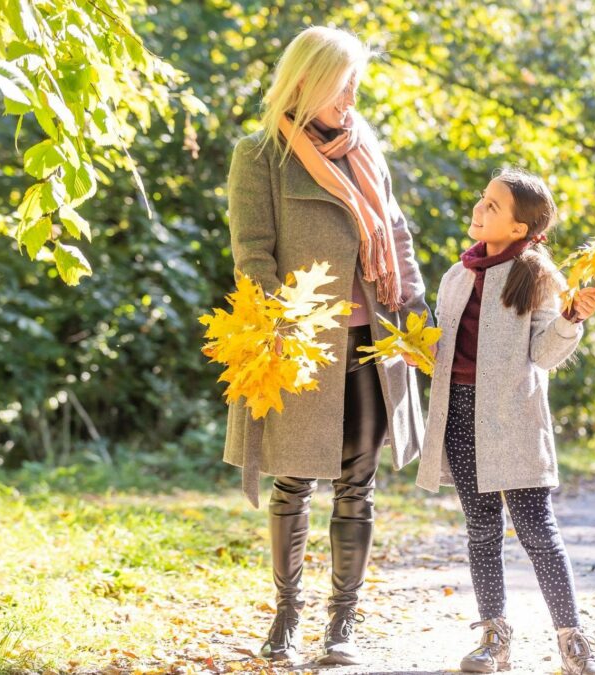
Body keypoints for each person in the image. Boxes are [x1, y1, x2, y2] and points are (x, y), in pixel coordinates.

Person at [223, 26, 429, 666]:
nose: (351, 96)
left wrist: (419, 317)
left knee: (357, 485)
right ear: (306, 81)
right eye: (342, 84)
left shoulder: (365, 150)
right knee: (292, 483)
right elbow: (252, 254)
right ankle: (286, 620)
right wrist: (277, 330)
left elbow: (395, 237)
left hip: (373, 341)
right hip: (300, 345)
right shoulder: (258, 157)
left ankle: (342, 626)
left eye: (355, 84)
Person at [415, 168, 595, 674]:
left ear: (520, 229)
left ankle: (572, 641)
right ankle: (494, 639)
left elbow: (543, 355)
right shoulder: (455, 276)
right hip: (459, 412)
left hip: (513, 419)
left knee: (537, 531)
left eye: (493, 206)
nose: (480, 209)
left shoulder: (539, 276)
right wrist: (415, 345)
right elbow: (442, 348)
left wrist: (571, 320)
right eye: (483, 200)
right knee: (481, 529)